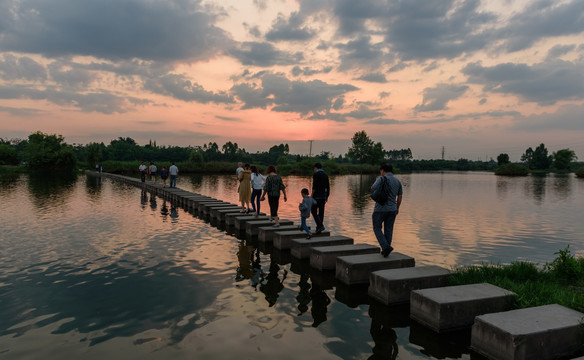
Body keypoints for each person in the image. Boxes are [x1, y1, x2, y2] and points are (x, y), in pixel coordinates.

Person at [371, 163, 403, 257]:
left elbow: (372, 188)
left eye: (381, 171)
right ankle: (386, 251)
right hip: (392, 209)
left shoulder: (381, 179)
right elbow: (400, 196)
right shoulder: (397, 181)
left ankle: (385, 247)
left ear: (383, 170)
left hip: (380, 209)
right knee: (389, 229)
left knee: (376, 227)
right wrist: (397, 208)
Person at [311, 162, 330, 234]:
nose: (314, 170)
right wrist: (327, 196)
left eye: (314, 168)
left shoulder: (316, 174)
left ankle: (320, 225)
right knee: (321, 213)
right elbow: (328, 187)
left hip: (316, 196)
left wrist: (312, 195)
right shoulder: (325, 175)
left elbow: (314, 186)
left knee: (313, 211)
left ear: (316, 168)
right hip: (323, 197)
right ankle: (318, 228)